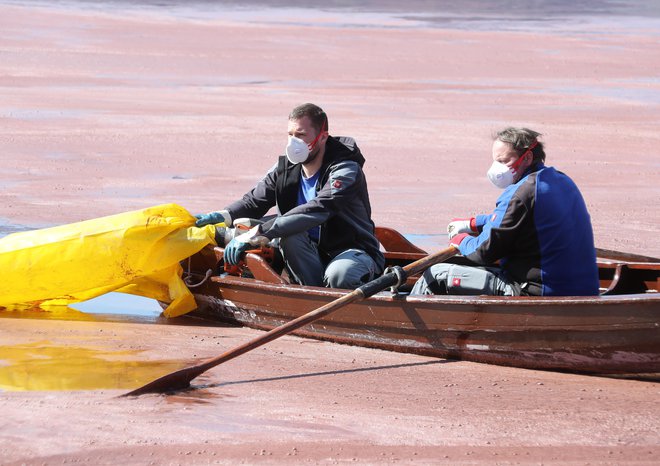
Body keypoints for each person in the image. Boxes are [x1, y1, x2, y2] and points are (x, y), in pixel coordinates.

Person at [195, 103, 385, 289]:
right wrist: (222, 215)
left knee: (339, 276)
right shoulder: (284, 170)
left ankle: (330, 295)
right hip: (309, 253)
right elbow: (254, 201)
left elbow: (319, 208)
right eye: (291, 135)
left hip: (352, 251)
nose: (294, 142)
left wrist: (257, 234)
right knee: (286, 234)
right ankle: (311, 294)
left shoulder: (345, 170)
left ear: (322, 137)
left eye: (301, 135)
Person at [411, 127, 599, 297]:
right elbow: (513, 219)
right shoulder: (561, 180)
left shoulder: (521, 193)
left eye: (503, 160)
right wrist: (475, 223)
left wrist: (460, 241)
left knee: (435, 275)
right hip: (584, 289)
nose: (496, 167)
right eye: (495, 160)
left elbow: (483, 251)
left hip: (537, 291)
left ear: (526, 158)